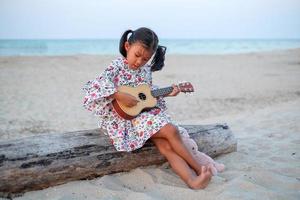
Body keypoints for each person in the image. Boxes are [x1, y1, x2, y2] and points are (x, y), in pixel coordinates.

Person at [82, 27, 212, 189]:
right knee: (171, 131)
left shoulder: (145, 71)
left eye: (145, 59)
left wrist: (167, 93)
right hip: (122, 119)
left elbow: (145, 95)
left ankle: (192, 181)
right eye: (137, 55)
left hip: (142, 115)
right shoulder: (117, 65)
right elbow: (94, 85)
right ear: (127, 46)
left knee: (166, 146)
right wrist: (118, 94)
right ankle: (199, 168)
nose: (139, 62)